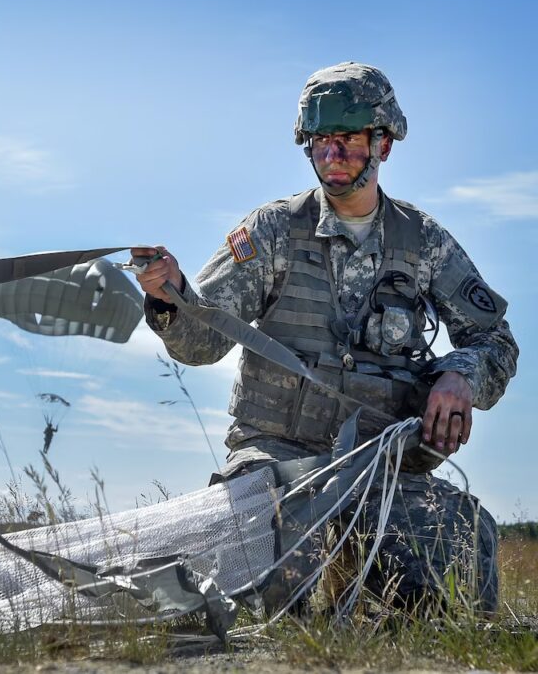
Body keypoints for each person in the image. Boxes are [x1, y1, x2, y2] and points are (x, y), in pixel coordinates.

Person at [131, 62, 518, 615]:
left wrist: (459, 376)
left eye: (349, 142)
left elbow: (495, 340)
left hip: (384, 468)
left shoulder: (424, 241)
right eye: (320, 143)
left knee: (458, 559)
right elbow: (202, 344)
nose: (332, 156)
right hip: (277, 464)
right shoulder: (270, 232)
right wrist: (170, 296)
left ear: (384, 145)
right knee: (273, 595)